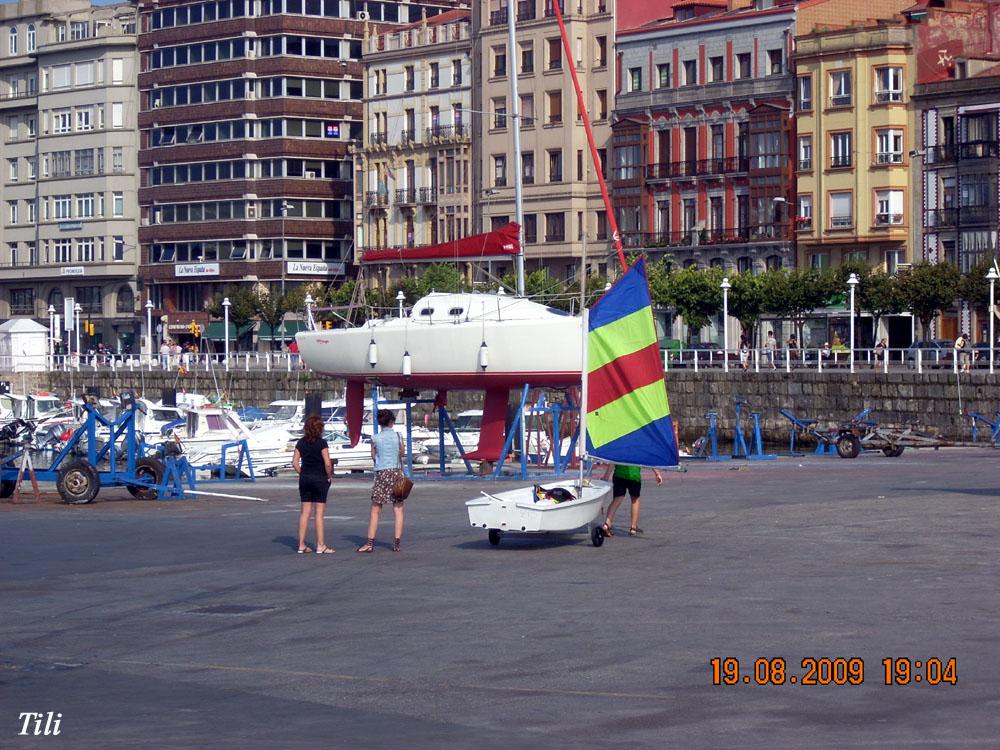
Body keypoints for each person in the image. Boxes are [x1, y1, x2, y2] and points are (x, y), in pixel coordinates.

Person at [358, 409, 406, 553]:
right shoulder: (398, 436)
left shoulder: (375, 438)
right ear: (392, 421)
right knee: (398, 509)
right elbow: (402, 453)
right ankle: (397, 543)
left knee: (376, 509)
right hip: (396, 473)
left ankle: (370, 543)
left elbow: (373, 456)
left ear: (379, 422)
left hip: (382, 473)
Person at [292, 415, 335, 554]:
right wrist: (328, 476)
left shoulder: (300, 443)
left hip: (305, 478)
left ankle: (301, 545)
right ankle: (321, 545)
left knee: (305, 512)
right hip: (319, 478)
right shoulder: (322, 443)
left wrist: (302, 473)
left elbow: (294, 462)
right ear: (319, 429)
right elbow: (327, 463)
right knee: (319, 513)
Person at [601, 463, 663, 537]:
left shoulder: (620, 450)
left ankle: (607, 524)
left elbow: (612, 461)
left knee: (617, 499)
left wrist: (606, 477)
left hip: (619, 475)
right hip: (633, 476)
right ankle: (633, 527)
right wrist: (657, 473)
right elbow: (648, 458)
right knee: (635, 499)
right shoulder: (639, 450)